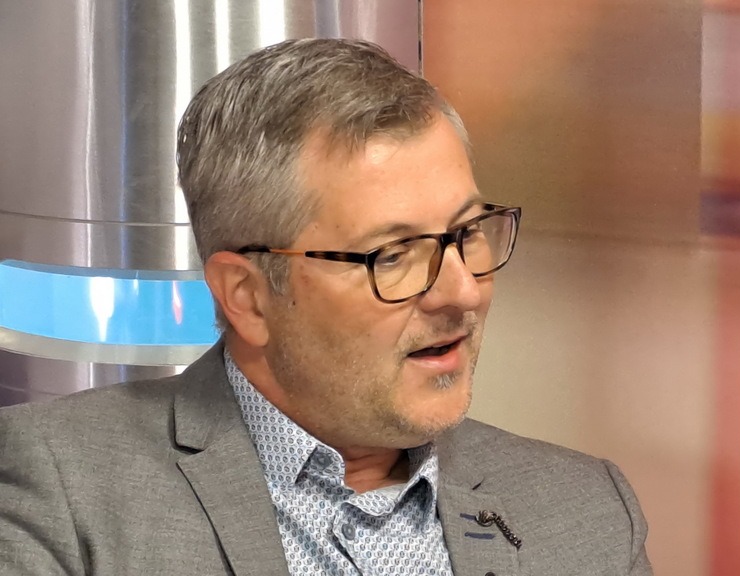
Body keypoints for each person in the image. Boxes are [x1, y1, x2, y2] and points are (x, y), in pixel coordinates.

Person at [0, 38, 651, 575]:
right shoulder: (62, 492)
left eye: (466, 232)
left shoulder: (588, 512)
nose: (462, 291)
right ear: (248, 296)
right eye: (393, 255)